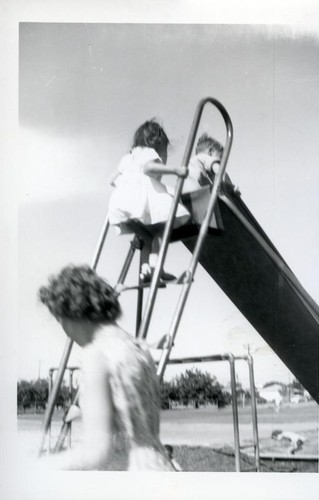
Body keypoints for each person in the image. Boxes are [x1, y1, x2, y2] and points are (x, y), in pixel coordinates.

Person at [38, 265, 174, 471]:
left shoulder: (96, 354)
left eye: (60, 320)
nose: (66, 331)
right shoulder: (138, 347)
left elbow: (96, 452)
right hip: (159, 467)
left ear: (71, 312)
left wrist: (32, 469)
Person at [108, 119, 190, 282]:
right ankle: (155, 268)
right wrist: (175, 170)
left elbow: (111, 179)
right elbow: (148, 168)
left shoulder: (128, 157)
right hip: (140, 203)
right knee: (160, 232)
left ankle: (146, 269)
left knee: (148, 238)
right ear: (158, 144)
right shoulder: (149, 153)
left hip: (121, 207)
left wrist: (127, 185)